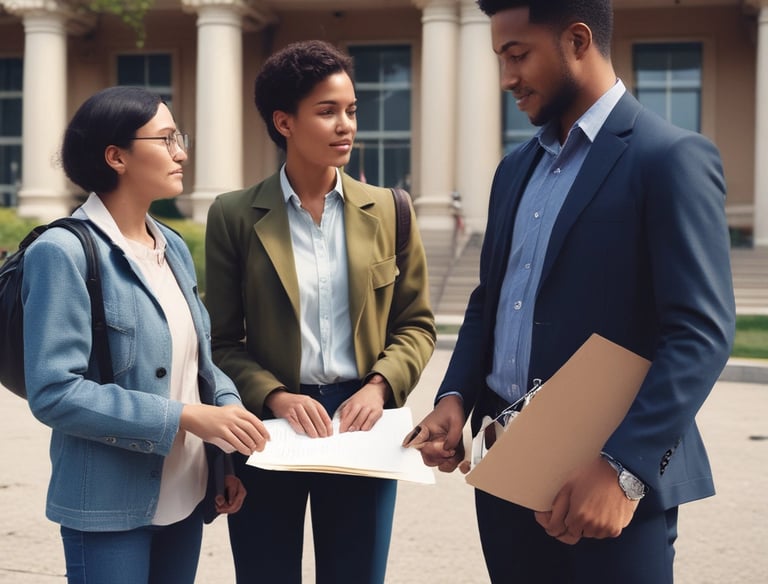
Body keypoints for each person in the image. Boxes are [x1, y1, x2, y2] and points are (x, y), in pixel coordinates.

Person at [404, 1, 736, 582]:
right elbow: (491, 300)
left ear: (578, 40)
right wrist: (453, 397)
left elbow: (699, 333)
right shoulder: (514, 169)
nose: (506, 78)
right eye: (499, 58)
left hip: (607, 487)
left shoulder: (669, 158)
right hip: (507, 475)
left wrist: (624, 469)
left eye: (517, 55)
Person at [205, 40, 436, 584]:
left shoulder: (390, 210)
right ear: (284, 121)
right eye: (327, 111)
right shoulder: (235, 215)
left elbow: (416, 324)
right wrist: (275, 396)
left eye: (351, 111)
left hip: (364, 425)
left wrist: (380, 385)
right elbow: (220, 342)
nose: (346, 126)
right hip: (267, 426)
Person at [22, 86, 270, 584]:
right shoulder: (62, 252)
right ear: (116, 156)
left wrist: (223, 447)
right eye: (165, 139)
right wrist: (184, 416)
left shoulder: (171, 245)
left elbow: (199, 359)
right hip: (108, 503)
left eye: (179, 137)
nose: (181, 152)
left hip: (186, 494)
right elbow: (53, 392)